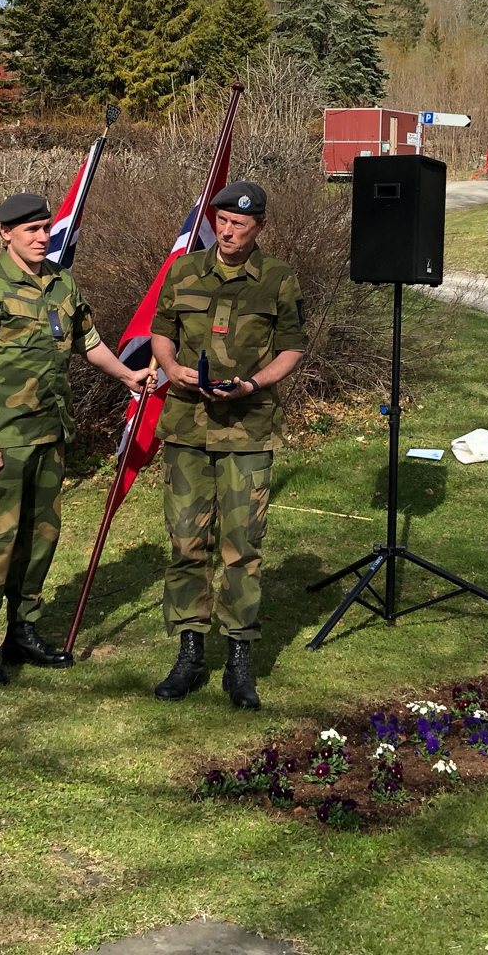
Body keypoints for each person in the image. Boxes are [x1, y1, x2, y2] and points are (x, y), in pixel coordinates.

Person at [0, 193, 154, 686]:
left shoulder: (62, 283)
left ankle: (23, 631)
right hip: (3, 439)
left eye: (45, 229)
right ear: (6, 234)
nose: (42, 239)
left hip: (49, 435)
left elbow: (89, 342)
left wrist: (126, 375)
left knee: (40, 538)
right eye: (31, 232)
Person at [149, 182, 307, 711]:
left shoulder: (278, 278)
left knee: (242, 544)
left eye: (240, 223)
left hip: (248, 428)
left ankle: (240, 658)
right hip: (187, 425)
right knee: (186, 542)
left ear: (259, 226)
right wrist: (171, 369)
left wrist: (254, 384)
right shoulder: (184, 271)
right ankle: (190, 653)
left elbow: (291, 349)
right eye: (222, 220)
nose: (228, 229)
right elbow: (162, 331)